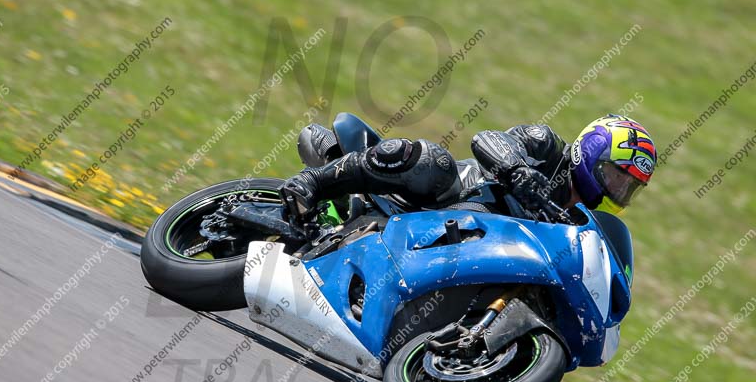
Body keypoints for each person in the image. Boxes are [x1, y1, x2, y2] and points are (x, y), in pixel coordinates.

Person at [279, 114, 657, 222]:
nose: (617, 190)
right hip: (442, 200)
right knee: (435, 162)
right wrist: (517, 171)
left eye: (628, 187)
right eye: (615, 176)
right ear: (590, 154)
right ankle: (312, 181)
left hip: (469, 246)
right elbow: (487, 139)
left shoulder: (580, 226)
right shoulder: (546, 145)